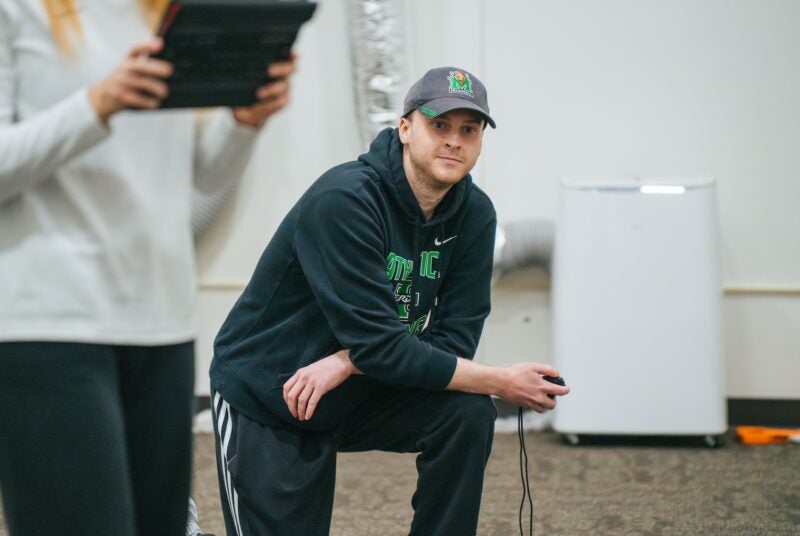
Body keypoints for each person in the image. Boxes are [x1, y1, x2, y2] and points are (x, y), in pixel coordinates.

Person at [209, 66, 570, 536]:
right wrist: (500, 380)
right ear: (404, 128)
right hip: (271, 390)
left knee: (466, 412)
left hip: (358, 385)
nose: (454, 141)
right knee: (481, 391)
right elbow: (381, 347)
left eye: (469, 130)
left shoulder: (475, 215)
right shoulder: (345, 201)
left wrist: (346, 361)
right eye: (438, 125)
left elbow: (452, 341)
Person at [0, 1, 296, 535]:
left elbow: (200, 175)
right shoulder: (18, 11)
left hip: (162, 323)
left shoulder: (159, 16)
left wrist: (242, 123)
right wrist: (98, 105)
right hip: (51, 325)